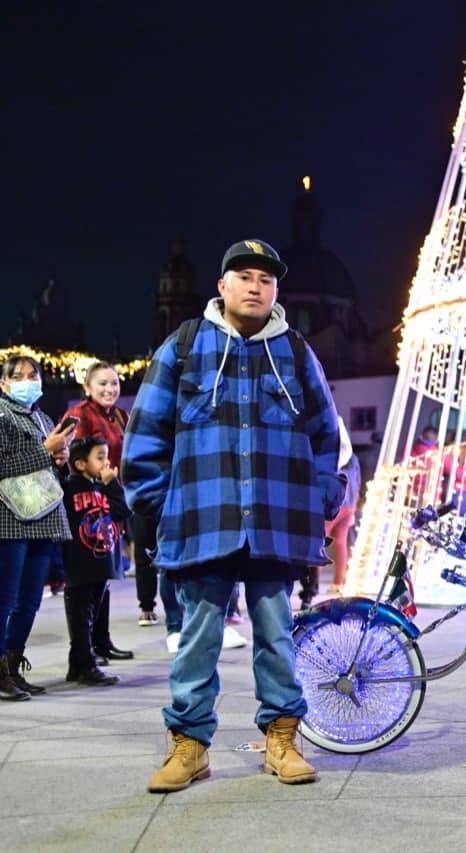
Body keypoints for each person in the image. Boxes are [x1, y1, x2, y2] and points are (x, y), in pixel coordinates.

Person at [124, 238, 343, 792]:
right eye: (244, 277)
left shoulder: (295, 351)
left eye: (266, 280)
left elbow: (325, 435)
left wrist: (322, 497)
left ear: (276, 292)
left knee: (276, 635)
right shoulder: (185, 345)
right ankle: (190, 746)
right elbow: (147, 430)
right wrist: (154, 505)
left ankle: (282, 741)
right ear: (222, 286)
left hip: (276, 520)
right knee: (199, 636)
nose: (255, 286)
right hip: (203, 518)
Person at [0, 355, 75, 700]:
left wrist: (61, 460)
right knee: (6, 599)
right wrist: (47, 451)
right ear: (3, 384)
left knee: (30, 600)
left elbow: (53, 471)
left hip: (43, 518)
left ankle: (12, 666)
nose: (27, 381)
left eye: (33, 375)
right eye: (18, 376)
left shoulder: (44, 418)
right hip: (9, 519)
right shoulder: (1, 415)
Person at [64, 361, 135, 664]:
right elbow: (72, 455)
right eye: (103, 384)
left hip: (111, 494)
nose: (110, 389)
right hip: (88, 500)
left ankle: (102, 642)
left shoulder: (119, 416)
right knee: (88, 577)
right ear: (88, 388)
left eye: (114, 383)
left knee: (103, 574)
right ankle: (86, 649)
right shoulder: (79, 414)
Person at [61, 437, 129, 686]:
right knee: (81, 616)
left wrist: (113, 484)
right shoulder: (69, 487)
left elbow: (122, 511)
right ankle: (86, 665)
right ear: (80, 464)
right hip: (79, 564)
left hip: (101, 562)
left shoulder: (103, 487)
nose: (106, 463)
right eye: (99, 457)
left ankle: (77, 665)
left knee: (92, 614)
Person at [326, 417, 361, 593]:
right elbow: (358, 481)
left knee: (320, 544)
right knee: (341, 543)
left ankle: (312, 584)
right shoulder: (354, 459)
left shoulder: (333, 457)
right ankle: (338, 583)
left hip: (334, 504)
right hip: (350, 506)